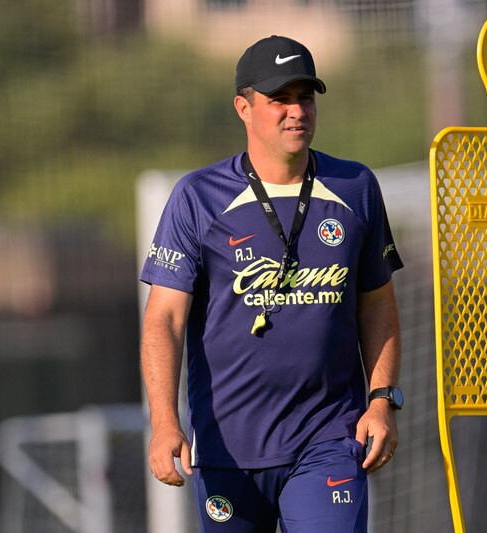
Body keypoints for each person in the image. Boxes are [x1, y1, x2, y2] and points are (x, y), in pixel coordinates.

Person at [140, 35, 404, 532]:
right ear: (244, 107)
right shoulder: (197, 197)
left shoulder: (357, 187)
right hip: (227, 451)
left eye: (305, 96)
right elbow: (165, 317)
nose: (296, 110)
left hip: (328, 441)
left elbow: (378, 306)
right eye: (278, 98)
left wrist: (381, 400)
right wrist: (164, 422)